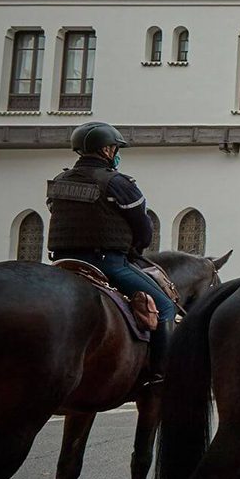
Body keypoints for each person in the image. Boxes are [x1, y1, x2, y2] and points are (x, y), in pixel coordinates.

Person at [47, 121, 177, 384]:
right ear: (106, 150)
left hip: (63, 261)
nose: (117, 153)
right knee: (164, 306)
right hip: (107, 262)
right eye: (116, 148)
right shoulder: (117, 183)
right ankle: (161, 376)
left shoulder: (60, 182)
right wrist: (135, 249)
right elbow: (143, 227)